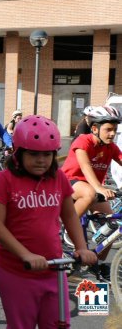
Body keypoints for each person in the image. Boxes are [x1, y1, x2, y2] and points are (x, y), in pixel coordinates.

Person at [0, 115, 96, 328]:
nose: (41, 160)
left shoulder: (58, 178)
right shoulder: (4, 180)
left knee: (57, 324)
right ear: (18, 153)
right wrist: (25, 254)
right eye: (34, 154)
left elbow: (70, 215)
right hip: (17, 272)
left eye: (47, 154)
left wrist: (82, 247)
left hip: (54, 270)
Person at [61, 105, 122, 278]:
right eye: (108, 129)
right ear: (94, 128)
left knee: (113, 225)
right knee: (89, 193)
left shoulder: (111, 147)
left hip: (92, 188)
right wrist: (100, 188)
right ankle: (67, 230)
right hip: (69, 183)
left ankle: (96, 260)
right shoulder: (83, 140)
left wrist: (99, 189)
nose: (112, 134)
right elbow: (85, 167)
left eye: (115, 130)